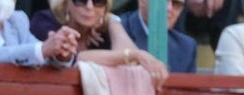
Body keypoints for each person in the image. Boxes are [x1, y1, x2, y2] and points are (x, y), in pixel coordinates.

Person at [30, 0, 169, 84]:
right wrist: (135, 55)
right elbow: (70, 58)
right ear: (66, 3)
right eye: (81, 0)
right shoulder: (45, 21)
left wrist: (112, 22)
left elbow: (130, 64)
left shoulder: (103, 31)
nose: (90, 7)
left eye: (99, 1)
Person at [119, 0, 198, 73]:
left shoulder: (186, 47)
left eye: (176, 3)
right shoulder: (115, 30)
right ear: (141, 1)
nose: (169, 8)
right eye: (161, 2)